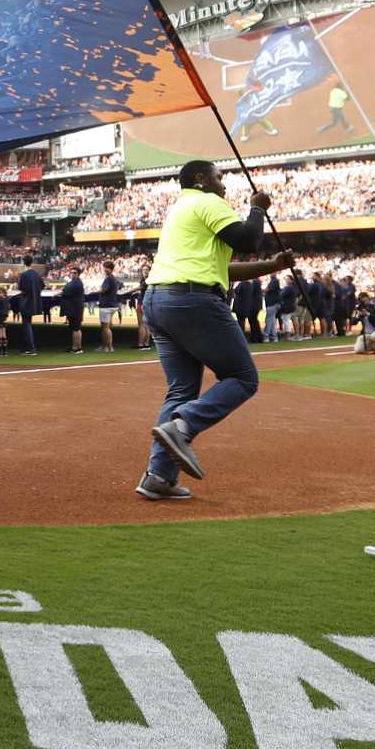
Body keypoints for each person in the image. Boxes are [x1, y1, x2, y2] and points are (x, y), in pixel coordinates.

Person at [136, 160, 295, 502]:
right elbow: (249, 239)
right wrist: (257, 208)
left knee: (180, 391)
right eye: (219, 177)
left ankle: (158, 477)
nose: (224, 185)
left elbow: (222, 267)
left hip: (159, 301)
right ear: (200, 179)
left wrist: (272, 266)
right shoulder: (207, 201)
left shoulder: (182, 208)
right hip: (193, 301)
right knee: (242, 377)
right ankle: (183, 427)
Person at [15, 256, 44, 355]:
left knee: (26, 325)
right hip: (34, 301)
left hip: (26, 302)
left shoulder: (23, 275)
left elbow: (21, 289)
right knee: (28, 324)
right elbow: (42, 285)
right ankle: (28, 347)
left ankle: (31, 348)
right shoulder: (36, 274)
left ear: (23, 263)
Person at [56, 265, 85, 352]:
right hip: (75, 307)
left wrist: (58, 293)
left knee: (75, 329)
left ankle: (75, 348)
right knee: (76, 328)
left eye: (74, 273)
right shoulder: (74, 282)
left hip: (75, 308)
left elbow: (65, 291)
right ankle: (78, 347)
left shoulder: (76, 283)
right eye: (71, 272)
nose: (72, 274)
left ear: (78, 274)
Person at [94, 261, 121, 352]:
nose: (105, 269)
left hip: (106, 305)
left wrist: (92, 292)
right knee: (106, 327)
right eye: (105, 267)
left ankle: (108, 347)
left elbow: (103, 290)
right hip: (112, 304)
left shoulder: (108, 278)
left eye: (107, 268)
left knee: (105, 327)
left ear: (110, 269)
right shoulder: (113, 278)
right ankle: (106, 346)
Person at [232, 276, 262, 342]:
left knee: (242, 324)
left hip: (242, 307)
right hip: (248, 307)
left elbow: (236, 291)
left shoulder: (243, 284)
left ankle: (242, 339)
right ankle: (255, 339)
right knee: (252, 323)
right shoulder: (251, 284)